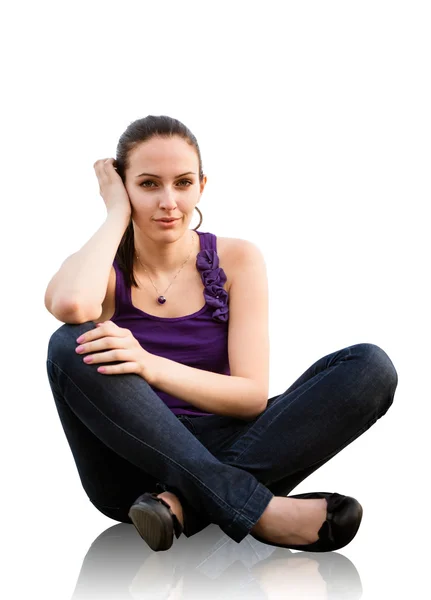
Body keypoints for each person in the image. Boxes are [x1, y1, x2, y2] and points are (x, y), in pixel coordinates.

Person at [45, 114, 398, 553]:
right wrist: (116, 212)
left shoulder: (238, 259)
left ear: (202, 186)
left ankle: (184, 506)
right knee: (69, 342)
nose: (169, 201)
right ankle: (257, 508)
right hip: (128, 468)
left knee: (369, 368)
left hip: (220, 445)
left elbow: (250, 396)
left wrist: (151, 366)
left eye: (183, 182)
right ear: (123, 186)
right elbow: (73, 307)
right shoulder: (100, 266)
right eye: (149, 184)